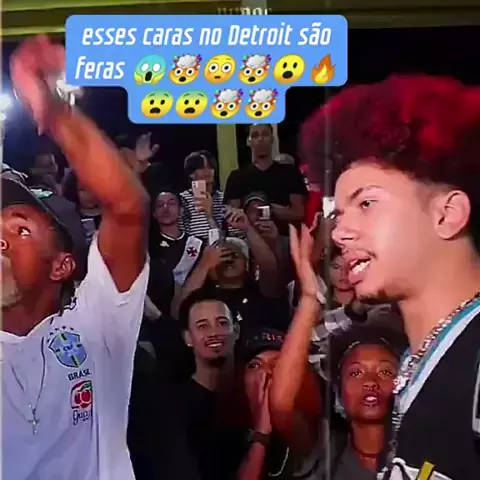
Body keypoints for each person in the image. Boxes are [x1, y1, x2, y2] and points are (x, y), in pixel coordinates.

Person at [301, 74, 480, 479]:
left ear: (447, 214)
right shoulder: (415, 364)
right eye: (339, 215)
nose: (340, 233)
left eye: (366, 203)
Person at [3, 36, 149, 479]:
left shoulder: (94, 328)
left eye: (20, 229)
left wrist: (54, 112)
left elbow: (128, 207)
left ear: (61, 265)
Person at [223, 124, 307, 234]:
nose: (260, 139)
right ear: (248, 141)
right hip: (249, 238)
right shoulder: (237, 177)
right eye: (255, 135)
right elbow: (232, 215)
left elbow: (299, 213)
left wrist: (269, 209)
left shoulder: (290, 173)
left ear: (272, 139)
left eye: (265, 134)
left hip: (283, 237)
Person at [150, 188, 203, 287]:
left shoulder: (197, 243)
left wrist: (209, 215)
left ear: (181, 210)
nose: (165, 208)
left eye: (171, 203)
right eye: (160, 205)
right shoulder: (149, 247)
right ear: (154, 214)